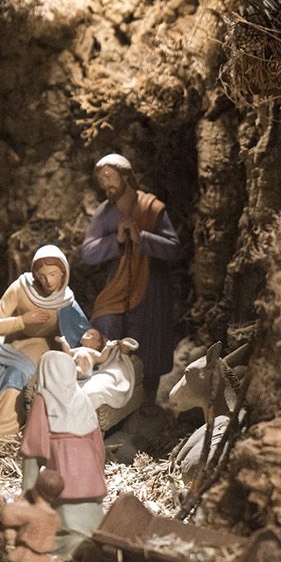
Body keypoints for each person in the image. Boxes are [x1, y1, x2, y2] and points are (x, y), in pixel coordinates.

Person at [0, 245, 90, 440]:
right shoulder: (21, 288)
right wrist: (24, 320)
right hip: (6, 342)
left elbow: (84, 336)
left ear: (63, 274)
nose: (48, 281)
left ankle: (0, 432)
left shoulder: (66, 303)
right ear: (35, 274)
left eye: (53, 274)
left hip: (41, 346)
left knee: (17, 377)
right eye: (42, 275)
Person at [80, 153, 182, 390]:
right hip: (118, 284)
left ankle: (146, 400)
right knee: (105, 320)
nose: (105, 184)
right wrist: (116, 241)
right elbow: (88, 253)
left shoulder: (152, 208)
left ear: (125, 175)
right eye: (101, 180)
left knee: (148, 337)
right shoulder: (105, 213)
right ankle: (108, 390)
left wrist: (142, 237)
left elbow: (173, 248)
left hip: (151, 284)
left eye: (109, 176)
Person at [21, 352, 108, 557]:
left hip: (63, 467)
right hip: (90, 473)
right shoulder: (84, 397)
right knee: (89, 518)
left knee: (66, 520)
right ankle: (89, 543)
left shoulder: (43, 400)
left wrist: (28, 491)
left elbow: (33, 447)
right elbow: (98, 444)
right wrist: (99, 471)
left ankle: (72, 548)